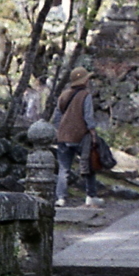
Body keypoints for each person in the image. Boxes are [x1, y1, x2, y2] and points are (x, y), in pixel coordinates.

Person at [53, 66, 103, 207]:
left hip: (63, 136)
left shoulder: (63, 95)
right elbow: (88, 116)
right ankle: (90, 196)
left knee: (64, 169)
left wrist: (58, 131)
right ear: (84, 81)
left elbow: (57, 115)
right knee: (89, 164)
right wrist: (93, 133)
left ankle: (61, 198)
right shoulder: (85, 95)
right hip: (81, 135)